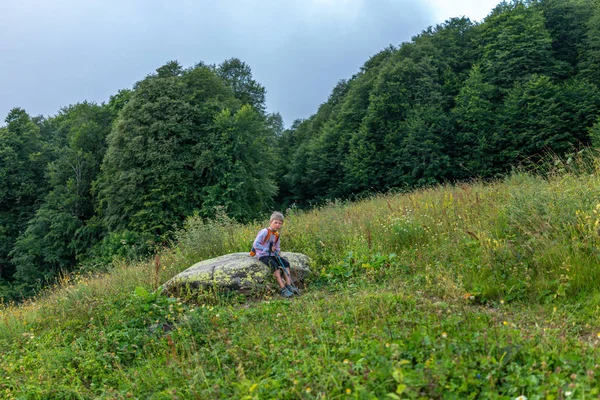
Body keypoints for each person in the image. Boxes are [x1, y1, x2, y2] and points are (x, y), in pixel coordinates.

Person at [252, 212, 299, 298]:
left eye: (280, 223)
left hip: (273, 254)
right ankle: (283, 289)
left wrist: (277, 252)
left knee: (286, 264)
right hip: (263, 255)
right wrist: (266, 249)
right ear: (271, 222)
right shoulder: (264, 232)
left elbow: (277, 246)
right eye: (275, 222)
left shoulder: (277, 234)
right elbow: (256, 244)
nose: (277, 225)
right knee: (275, 266)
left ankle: (289, 286)